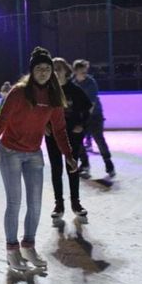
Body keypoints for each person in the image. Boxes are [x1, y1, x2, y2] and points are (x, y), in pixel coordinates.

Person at [0, 47, 77, 271]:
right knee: (14, 202)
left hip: (34, 154)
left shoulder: (54, 95)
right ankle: (12, 249)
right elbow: (2, 122)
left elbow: (60, 130)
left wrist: (69, 156)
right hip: (11, 152)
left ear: (52, 71)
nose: (43, 72)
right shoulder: (18, 92)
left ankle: (28, 246)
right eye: (39, 68)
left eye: (47, 68)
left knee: (35, 204)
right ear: (32, 71)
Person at [46, 58, 92, 219]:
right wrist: (44, 126)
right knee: (56, 169)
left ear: (66, 70)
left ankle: (75, 202)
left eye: (59, 68)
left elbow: (88, 109)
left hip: (71, 135)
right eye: (53, 69)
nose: (56, 72)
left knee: (72, 168)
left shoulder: (74, 90)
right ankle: (59, 204)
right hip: (52, 136)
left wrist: (82, 125)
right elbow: (38, 112)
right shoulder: (48, 91)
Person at [72, 59, 116, 178]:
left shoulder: (91, 83)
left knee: (99, 139)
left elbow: (91, 104)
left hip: (95, 115)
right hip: (81, 116)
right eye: (82, 72)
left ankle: (109, 164)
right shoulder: (72, 83)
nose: (84, 74)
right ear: (75, 71)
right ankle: (85, 164)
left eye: (85, 72)